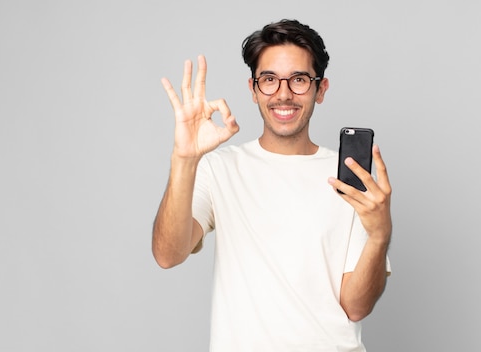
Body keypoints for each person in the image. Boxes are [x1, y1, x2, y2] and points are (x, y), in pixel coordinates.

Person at [152, 19, 392, 351]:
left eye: (299, 80)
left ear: (320, 90)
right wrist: (183, 159)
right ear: (253, 89)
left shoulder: (350, 177)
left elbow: (356, 306)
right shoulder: (218, 168)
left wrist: (380, 236)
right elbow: (167, 254)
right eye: (269, 80)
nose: (283, 94)